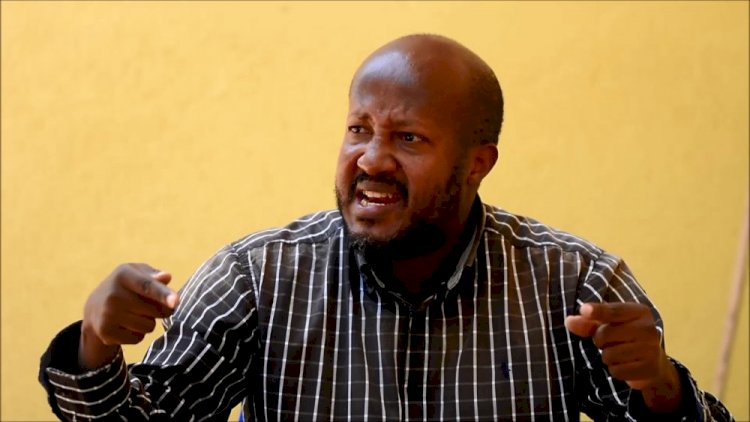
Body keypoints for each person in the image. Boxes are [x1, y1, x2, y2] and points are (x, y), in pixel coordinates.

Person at [39, 34, 733, 421]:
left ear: (478, 163)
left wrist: (661, 388)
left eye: (409, 138)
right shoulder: (257, 278)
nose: (371, 159)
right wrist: (97, 343)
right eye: (358, 129)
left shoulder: (574, 285)